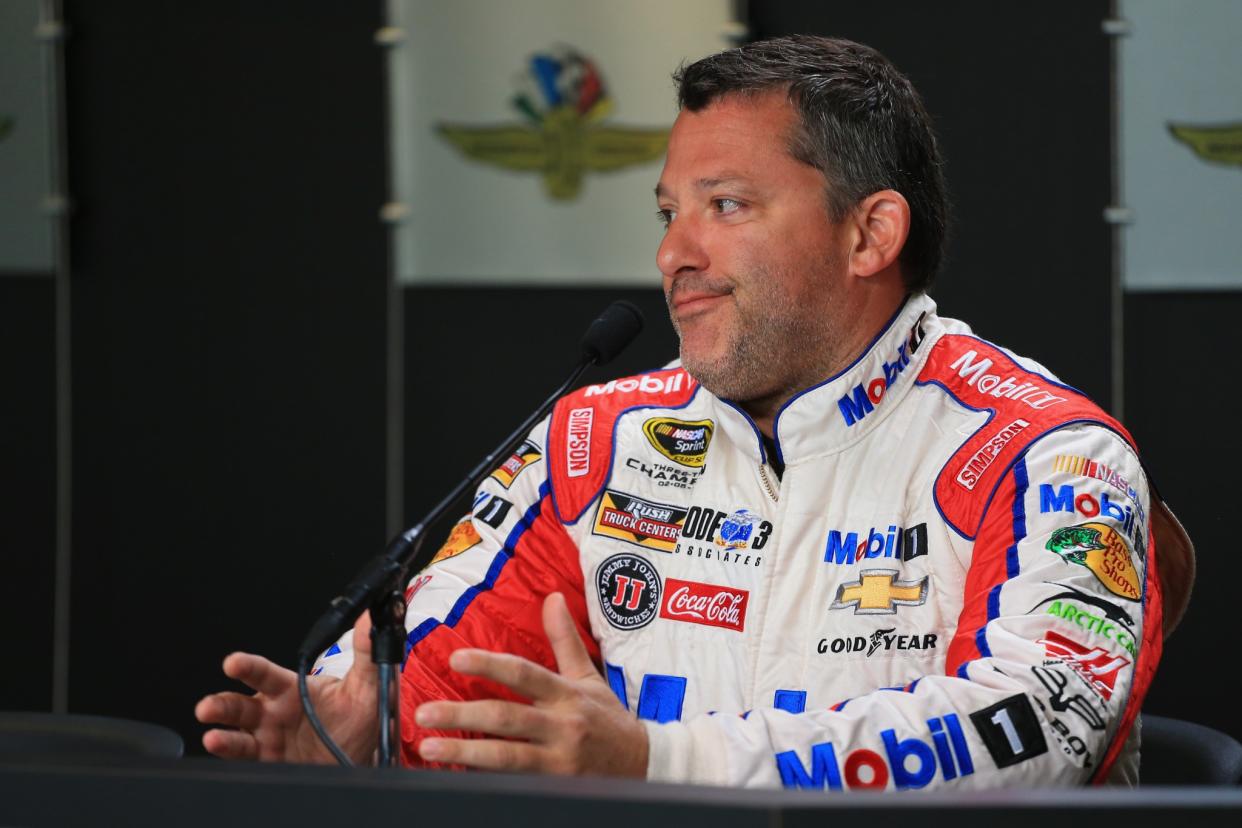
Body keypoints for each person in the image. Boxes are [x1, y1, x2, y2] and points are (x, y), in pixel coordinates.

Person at [196, 35, 1192, 789]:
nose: (675, 254)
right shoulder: (595, 439)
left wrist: (658, 759)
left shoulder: (1044, 452)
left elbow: (1039, 729)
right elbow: (460, 686)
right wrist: (360, 732)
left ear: (869, 234)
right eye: (669, 212)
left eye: (727, 206)